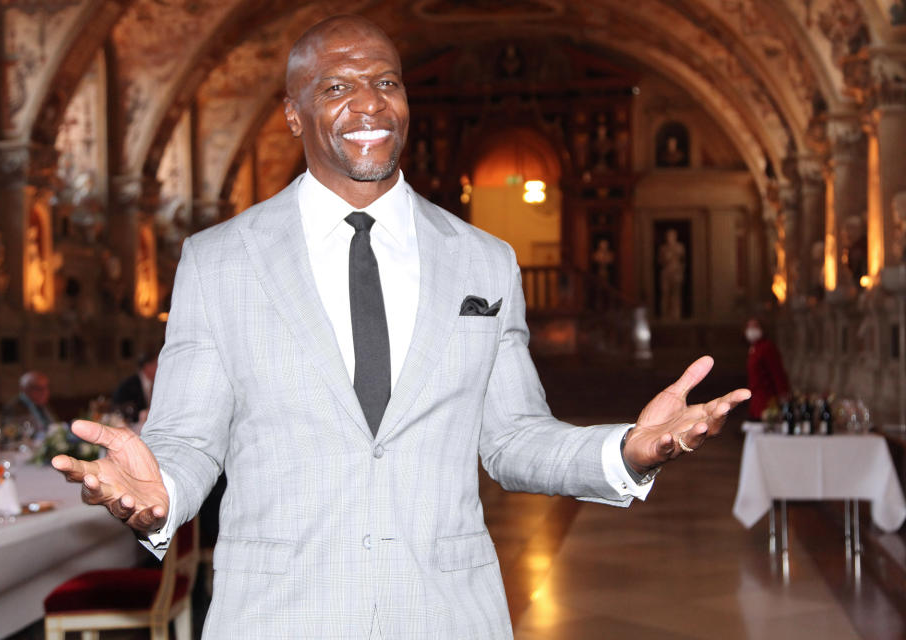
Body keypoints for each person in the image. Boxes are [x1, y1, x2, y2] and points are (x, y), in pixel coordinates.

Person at [52, 16, 750, 639]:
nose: (368, 103)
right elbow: (188, 438)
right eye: (335, 88)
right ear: (292, 114)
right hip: (279, 616)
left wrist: (627, 451)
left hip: (447, 612)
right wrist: (158, 494)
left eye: (386, 81)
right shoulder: (219, 261)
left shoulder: (484, 261)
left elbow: (513, 438)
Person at [745, 317, 790, 420]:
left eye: (755, 326)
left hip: (766, 400)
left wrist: (783, 395)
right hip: (755, 399)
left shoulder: (767, 347)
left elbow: (777, 372)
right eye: (749, 326)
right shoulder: (754, 348)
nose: (751, 330)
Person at [1, 370, 57, 438]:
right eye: (38, 388)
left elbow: (53, 425)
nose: (44, 392)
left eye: (46, 387)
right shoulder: (13, 407)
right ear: (25, 389)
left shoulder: (43, 405)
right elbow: (11, 433)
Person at [111, 352, 158, 424]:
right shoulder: (128, 385)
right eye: (157, 365)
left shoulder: (157, 383)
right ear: (147, 366)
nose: (160, 368)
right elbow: (118, 409)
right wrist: (142, 414)